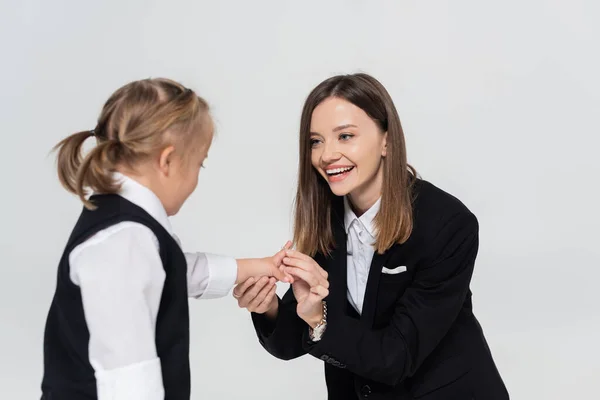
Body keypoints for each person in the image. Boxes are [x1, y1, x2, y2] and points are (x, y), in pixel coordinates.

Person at [234, 73, 510, 399]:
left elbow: (396, 356)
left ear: (386, 141)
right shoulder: (327, 218)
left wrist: (318, 317)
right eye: (316, 141)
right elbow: (296, 339)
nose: (327, 155)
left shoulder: (448, 225)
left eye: (345, 136)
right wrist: (268, 308)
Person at [40, 78, 290, 400]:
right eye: (199, 163)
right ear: (167, 160)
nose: (197, 176)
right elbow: (128, 378)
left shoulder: (133, 230)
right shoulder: (124, 241)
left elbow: (178, 271)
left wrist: (259, 266)